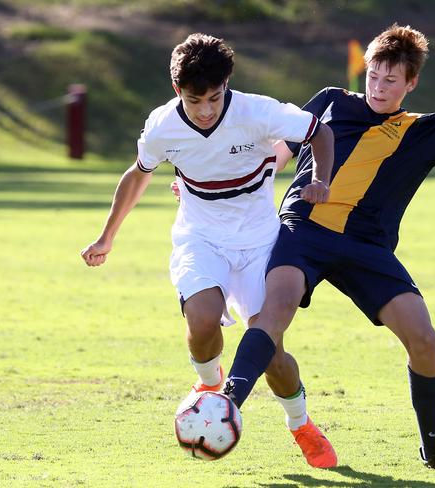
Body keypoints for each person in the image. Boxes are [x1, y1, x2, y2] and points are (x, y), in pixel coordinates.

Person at [221, 25, 435, 472]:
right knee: (277, 309)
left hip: (367, 247)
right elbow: (279, 153)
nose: (379, 88)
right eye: (374, 77)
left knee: (423, 338)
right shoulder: (331, 101)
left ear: (411, 83)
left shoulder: (422, 131)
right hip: (302, 229)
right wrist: (218, 186)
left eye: (390, 81)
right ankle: (228, 403)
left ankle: (434, 448)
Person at [80, 33, 338, 468]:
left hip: (260, 243)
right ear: (177, 90)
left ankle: (301, 425)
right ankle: (208, 384)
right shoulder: (163, 125)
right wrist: (107, 236)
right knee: (201, 320)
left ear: (227, 85)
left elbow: (321, 133)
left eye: (214, 98)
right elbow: (138, 173)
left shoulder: (258, 111)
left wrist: (323, 181)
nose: (205, 110)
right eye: (194, 99)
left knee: (272, 356)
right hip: (200, 239)